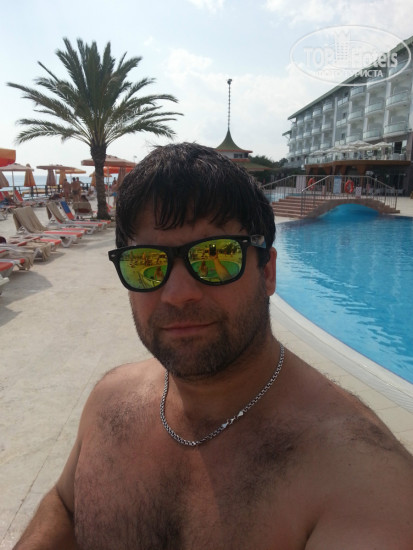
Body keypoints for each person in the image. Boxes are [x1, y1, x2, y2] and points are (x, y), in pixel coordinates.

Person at [14, 142, 413, 549]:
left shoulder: (361, 480)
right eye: (147, 262)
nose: (178, 294)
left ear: (267, 272)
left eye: (216, 256)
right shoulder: (110, 401)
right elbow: (66, 504)